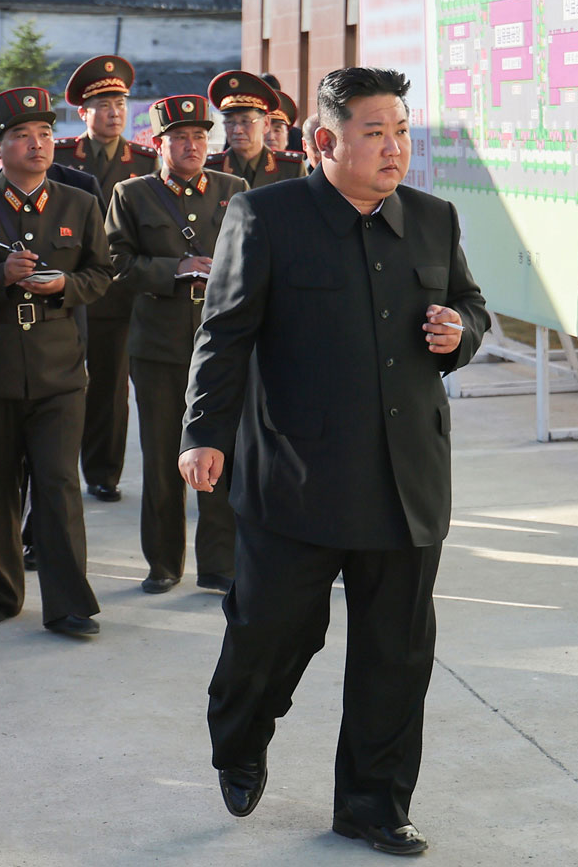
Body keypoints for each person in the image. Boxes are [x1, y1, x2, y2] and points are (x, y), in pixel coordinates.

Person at [179, 66, 487, 853]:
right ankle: (240, 736)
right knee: (273, 632)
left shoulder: (433, 219)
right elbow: (225, 333)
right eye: (376, 132)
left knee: (398, 652)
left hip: (406, 477)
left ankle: (373, 803)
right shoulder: (265, 216)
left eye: (403, 130)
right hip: (298, 475)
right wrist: (204, 432)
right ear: (325, 140)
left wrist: (463, 332)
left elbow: (471, 305)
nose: (395, 148)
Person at [0, 86, 112, 637]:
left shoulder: (79, 203)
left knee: (59, 484)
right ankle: (0, 590)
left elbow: (103, 274)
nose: (36, 145)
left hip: (59, 365)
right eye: (22, 136)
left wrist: (66, 284)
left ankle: (68, 604)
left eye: (44, 135)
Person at [106, 94, 244, 596]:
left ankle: (219, 563)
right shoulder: (133, 193)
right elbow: (113, 266)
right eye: (181, 138)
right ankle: (163, 563)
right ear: (158, 144)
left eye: (200, 136)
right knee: (164, 456)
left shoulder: (234, 189)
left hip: (221, 346)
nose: (192, 146)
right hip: (159, 345)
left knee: (222, 454)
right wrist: (175, 268)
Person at [56, 55, 153, 503]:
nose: (115, 112)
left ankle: (102, 472)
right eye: (104, 104)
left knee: (111, 391)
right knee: (61, 387)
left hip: (117, 295)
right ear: (84, 112)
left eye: (120, 103)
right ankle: (57, 469)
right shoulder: (58, 158)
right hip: (64, 290)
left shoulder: (147, 161)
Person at [206, 71, 307, 189]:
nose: (237, 130)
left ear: (265, 123)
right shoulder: (211, 169)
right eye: (230, 122)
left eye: (245, 121)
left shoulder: (291, 169)